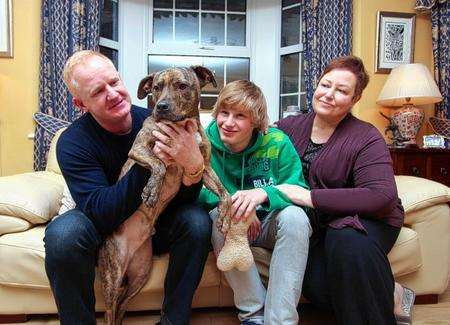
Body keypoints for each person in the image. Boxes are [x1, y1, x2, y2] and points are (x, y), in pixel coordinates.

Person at [43, 50, 211, 325]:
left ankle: (173, 321)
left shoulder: (160, 119)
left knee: (196, 220)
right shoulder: (73, 142)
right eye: (98, 91)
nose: (112, 94)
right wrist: (150, 162)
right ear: (80, 103)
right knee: (63, 234)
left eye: (114, 82)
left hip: (156, 218)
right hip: (102, 224)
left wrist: (193, 166)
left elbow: (183, 199)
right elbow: (101, 212)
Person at [276, 55, 412, 325]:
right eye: (325, 85)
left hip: (369, 221)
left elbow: (381, 196)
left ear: (354, 100)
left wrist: (308, 196)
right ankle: (393, 292)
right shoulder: (288, 127)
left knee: (347, 239)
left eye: (341, 91)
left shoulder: (366, 136)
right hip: (320, 228)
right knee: (318, 287)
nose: (329, 95)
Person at [197, 80, 312, 325]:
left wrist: (264, 198)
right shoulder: (204, 142)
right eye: (224, 113)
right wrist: (238, 210)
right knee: (220, 217)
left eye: (240, 116)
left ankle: (280, 321)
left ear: (256, 121)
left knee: (297, 218)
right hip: (231, 225)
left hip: (270, 221)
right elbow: (198, 191)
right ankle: (253, 316)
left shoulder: (278, 142)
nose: (228, 123)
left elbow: (298, 190)